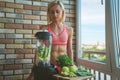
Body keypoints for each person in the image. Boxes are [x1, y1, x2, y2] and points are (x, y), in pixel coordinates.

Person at [27, 0, 73, 79]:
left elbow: (69, 50)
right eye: (52, 12)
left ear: (62, 12)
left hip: (63, 69)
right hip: (48, 68)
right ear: (49, 13)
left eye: (57, 11)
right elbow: (39, 51)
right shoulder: (44, 29)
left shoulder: (69, 30)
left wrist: (71, 66)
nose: (55, 14)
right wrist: (33, 70)